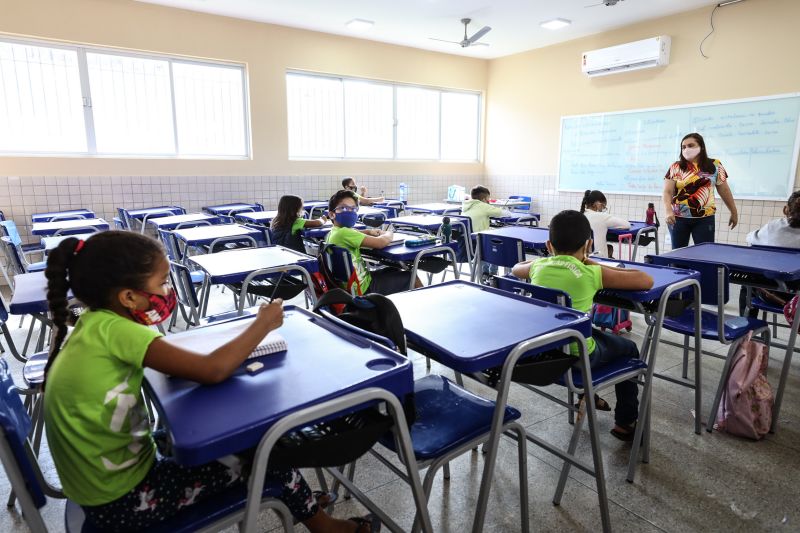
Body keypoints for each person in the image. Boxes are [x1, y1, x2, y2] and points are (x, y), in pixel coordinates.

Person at [43, 231, 378, 533]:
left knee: (232, 442)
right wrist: (261, 325)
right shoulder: (118, 330)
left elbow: (181, 364)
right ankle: (328, 528)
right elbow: (212, 370)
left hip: (104, 484)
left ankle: (299, 500)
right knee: (268, 459)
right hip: (123, 502)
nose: (167, 291)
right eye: (161, 283)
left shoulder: (95, 324)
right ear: (128, 297)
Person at [511, 210, 654, 441]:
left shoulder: (538, 267)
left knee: (590, 332)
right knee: (629, 349)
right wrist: (592, 261)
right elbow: (646, 280)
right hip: (579, 358)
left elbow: (516, 268)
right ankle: (625, 422)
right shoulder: (590, 272)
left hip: (544, 351)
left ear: (549, 245)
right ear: (588, 244)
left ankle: (588, 396)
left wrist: (546, 259)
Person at [326, 189, 420, 295]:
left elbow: (355, 232)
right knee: (411, 276)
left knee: (392, 270)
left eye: (353, 209)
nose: (350, 212)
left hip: (352, 286)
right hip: (364, 288)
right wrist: (389, 233)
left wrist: (369, 231)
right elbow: (381, 243)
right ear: (332, 214)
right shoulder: (344, 233)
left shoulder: (334, 232)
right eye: (344, 208)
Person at [662, 132, 739, 248]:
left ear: (701, 147)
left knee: (705, 256)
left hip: (705, 218)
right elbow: (667, 191)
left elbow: (724, 190)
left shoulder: (715, 165)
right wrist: (668, 211)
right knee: (677, 258)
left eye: (690, 145)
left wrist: (734, 212)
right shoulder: (676, 167)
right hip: (678, 218)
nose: (686, 149)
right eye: (683, 147)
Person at [739, 190, 800, 316]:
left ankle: (746, 328)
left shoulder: (773, 227)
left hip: (771, 291)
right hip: (797, 299)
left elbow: (750, 239)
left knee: (747, 284)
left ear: (786, 210)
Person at [462, 185, 514, 284]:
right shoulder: (483, 206)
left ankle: (484, 273)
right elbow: (503, 213)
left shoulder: (466, 206)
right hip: (480, 241)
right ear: (484, 199)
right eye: (488, 199)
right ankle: (492, 274)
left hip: (468, 242)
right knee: (497, 243)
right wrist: (506, 211)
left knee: (489, 237)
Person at [579, 189, 630, 258]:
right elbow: (627, 225)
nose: (602, 210)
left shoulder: (580, 216)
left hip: (583, 257)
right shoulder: (602, 217)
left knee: (609, 247)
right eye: (603, 206)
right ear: (597, 204)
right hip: (599, 259)